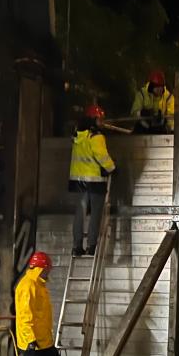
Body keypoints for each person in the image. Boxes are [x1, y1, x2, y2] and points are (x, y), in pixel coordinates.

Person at [15, 252, 71, 356]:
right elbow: (25, 315)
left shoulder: (39, 285)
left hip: (43, 339)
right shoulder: (28, 286)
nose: (49, 273)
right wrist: (30, 340)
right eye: (47, 269)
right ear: (41, 268)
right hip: (31, 340)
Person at [68, 104, 115, 257]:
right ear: (93, 119)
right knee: (95, 214)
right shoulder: (97, 137)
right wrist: (112, 168)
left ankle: (76, 247)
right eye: (99, 119)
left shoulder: (77, 135)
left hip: (78, 181)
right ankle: (91, 246)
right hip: (95, 182)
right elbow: (102, 157)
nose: (101, 122)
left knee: (79, 215)